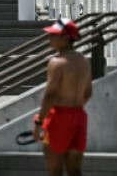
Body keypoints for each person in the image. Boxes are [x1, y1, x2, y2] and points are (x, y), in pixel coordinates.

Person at [33, 18, 93, 176]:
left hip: (59, 117)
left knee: (55, 171)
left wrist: (40, 122)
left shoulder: (56, 62)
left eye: (54, 34)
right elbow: (88, 93)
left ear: (66, 38)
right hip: (79, 117)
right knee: (75, 170)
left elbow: (50, 94)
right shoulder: (84, 61)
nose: (50, 37)